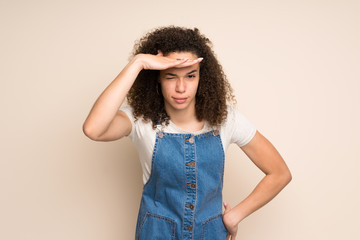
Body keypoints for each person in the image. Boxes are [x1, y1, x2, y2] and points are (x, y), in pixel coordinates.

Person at [83, 26, 292, 240]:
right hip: (156, 234)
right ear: (157, 78)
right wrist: (138, 63)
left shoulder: (226, 119)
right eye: (171, 76)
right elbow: (93, 129)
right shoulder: (140, 120)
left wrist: (235, 216)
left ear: (202, 77)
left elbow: (279, 173)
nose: (181, 88)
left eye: (190, 76)